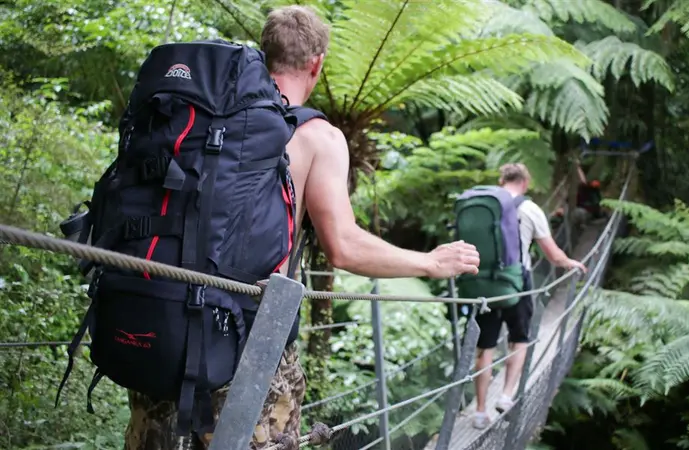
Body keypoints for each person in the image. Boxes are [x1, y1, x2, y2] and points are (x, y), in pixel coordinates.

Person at [123, 6, 480, 450]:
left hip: (159, 324)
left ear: (265, 53)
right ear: (317, 63)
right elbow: (343, 247)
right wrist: (429, 262)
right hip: (250, 345)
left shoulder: (199, 118)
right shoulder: (316, 136)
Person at [471, 163, 586, 429]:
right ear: (525, 182)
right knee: (519, 339)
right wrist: (570, 263)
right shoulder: (530, 209)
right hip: (517, 283)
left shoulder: (485, 206)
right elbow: (554, 255)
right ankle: (505, 396)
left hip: (485, 284)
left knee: (485, 347)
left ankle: (479, 411)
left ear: (501, 181)